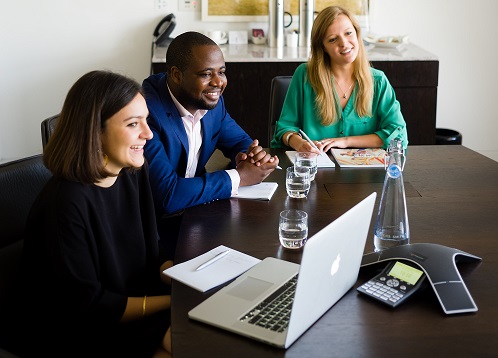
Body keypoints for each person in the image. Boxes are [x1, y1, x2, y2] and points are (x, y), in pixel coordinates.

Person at [16, 71, 172, 357]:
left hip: (128, 308)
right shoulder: (64, 203)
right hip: (77, 330)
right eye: (133, 124)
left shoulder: (133, 171)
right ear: (95, 131)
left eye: (146, 120)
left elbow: (153, 250)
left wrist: (185, 276)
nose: (148, 134)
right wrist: (175, 301)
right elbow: (89, 306)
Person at [143, 31, 279, 259]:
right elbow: (168, 195)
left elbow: (239, 141)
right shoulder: (146, 110)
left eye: (222, 72)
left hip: (197, 215)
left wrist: (251, 155)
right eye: (206, 74)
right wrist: (239, 177)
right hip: (155, 232)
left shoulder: (209, 98)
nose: (218, 82)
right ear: (176, 75)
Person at [271, 5, 408, 153]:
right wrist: (299, 143)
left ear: (357, 33)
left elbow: (398, 136)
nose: (344, 43)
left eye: (348, 33)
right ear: (322, 47)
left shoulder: (378, 81)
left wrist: (345, 141)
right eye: (332, 39)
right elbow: (284, 130)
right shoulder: (304, 75)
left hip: (365, 173)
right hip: (316, 169)